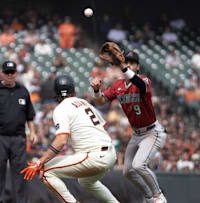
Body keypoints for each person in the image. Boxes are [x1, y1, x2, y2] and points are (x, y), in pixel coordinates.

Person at [21, 74, 119, 203]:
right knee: (86, 181)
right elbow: (104, 126)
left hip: (93, 156)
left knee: (44, 171)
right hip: (111, 154)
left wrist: (40, 162)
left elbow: (61, 141)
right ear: (74, 90)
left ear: (56, 94)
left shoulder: (61, 109)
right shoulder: (85, 103)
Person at [90, 51, 167, 203]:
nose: (128, 65)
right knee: (127, 172)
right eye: (127, 62)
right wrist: (97, 91)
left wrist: (124, 67)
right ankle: (149, 197)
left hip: (152, 132)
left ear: (137, 67)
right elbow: (100, 102)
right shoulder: (118, 85)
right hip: (136, 134)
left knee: (139, 165)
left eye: (132, 63)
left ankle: (159, 195)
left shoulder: (144, 80)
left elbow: (139, 84)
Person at [0, 61, 38, 203]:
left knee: (20, 173)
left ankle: (21, 201)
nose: (10, 75)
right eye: (7, 72)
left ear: (16, 73)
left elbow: (29, 115)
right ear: (1, 73)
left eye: (12, 72)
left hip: (18, 138)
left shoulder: (23, 91)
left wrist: (33, 132)